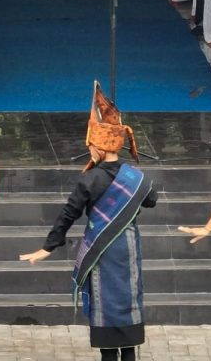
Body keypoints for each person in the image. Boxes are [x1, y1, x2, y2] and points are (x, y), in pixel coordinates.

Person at [19, 81, 157, 361]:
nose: (90, 149)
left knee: (104, 303)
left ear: (100, 147)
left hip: (101, 251)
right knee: (127, 300)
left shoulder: (90, 179)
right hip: (127, 249)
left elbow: (68, 214)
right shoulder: (135, 178)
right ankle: (130, 352)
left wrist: (48, 247)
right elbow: (151, 200)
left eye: (92, 144)